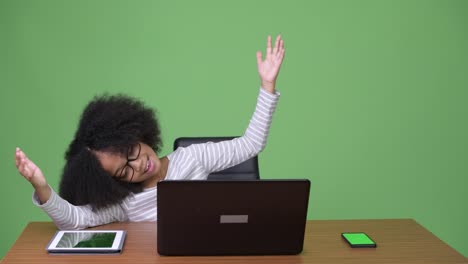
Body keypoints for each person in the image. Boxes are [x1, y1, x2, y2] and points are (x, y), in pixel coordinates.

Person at [15, 35, 285, 230]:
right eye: (124, 172)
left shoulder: (194, 158)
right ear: (114, 182)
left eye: (130, 151)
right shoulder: (126, 204)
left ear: (135, 133)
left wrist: (267, 85)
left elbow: (251, 144)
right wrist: (41, 187)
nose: (139, 164)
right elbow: (74, 220)